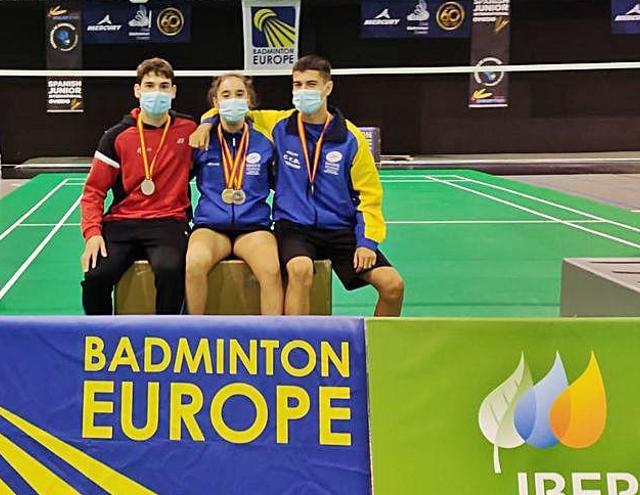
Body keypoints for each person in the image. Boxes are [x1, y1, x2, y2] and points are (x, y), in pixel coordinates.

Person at [191, 55, 405, 317]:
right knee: (300, 270)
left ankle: (376, 349)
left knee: (393, 285)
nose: (303, 91)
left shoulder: (351, 138)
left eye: (311, 84)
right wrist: (205, 123)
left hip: (340, 230)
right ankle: (296, 347)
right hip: (295, 227)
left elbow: (368, 196)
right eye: (298, 85)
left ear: (327, 88)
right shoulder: (278, 125)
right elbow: (230, 109)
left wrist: (367, 242)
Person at [80, 57, 197, 315]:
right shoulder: (116, 136)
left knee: (170, 271)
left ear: (173, 91)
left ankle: (163, 338)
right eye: (150, 85)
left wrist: (210, 123)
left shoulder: (190, 129)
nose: (157, 92)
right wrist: (92, 234)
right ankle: (103, 340)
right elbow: (94, 192)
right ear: (137, 91)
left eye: (164, 86)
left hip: (169, 221)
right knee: (96, 276)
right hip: (122, 222)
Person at [186, 73, 283, 315]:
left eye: (239, 94)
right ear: (216, 103)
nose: (233, 100)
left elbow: (281, 184)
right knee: (194, 264)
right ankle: (192, 336)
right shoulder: (202, 141)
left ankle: (271, 339)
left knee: (271, 270)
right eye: (226, 95)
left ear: (249, 100)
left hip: (253, 227)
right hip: (211, 227)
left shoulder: (264, 142)